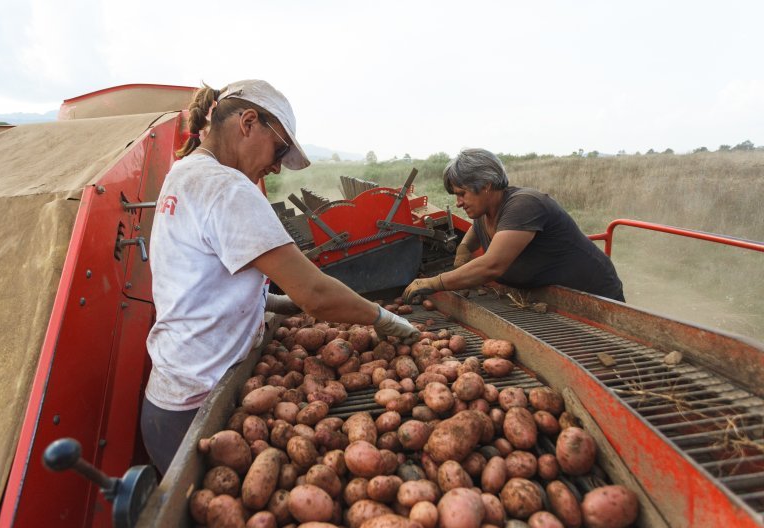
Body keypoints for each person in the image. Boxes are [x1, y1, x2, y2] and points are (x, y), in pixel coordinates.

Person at [143, 79, 418, 474]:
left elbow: (202, 281)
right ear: (248, 122)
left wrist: (271, 302)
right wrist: (384, 318)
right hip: (197, 407)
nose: (275, 165)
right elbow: (315, 293)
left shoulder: (187, 172)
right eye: (280, 149)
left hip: (170, 398)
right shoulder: (227, 187)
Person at [403, 148, 624, 304]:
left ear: (487, 185)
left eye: (462, 194)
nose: (458, 202)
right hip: (548, 297)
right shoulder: (484, 212)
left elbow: (492, 265)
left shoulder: (524, 204)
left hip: (591, 299)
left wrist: (434, 282)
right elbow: (470, 240)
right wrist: (462, 253)